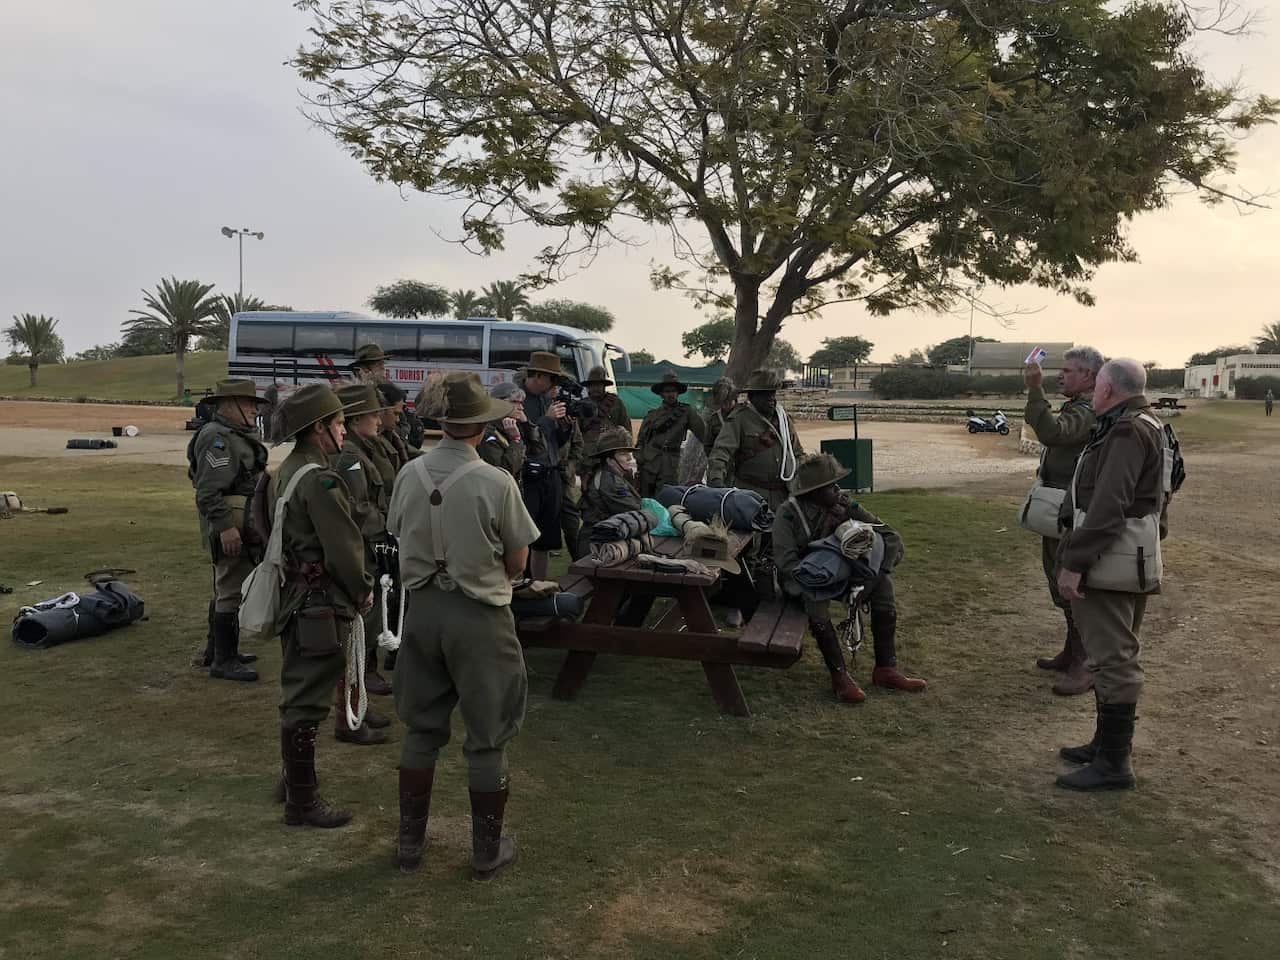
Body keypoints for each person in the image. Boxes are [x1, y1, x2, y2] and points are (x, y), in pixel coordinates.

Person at [387, 372, 540, 879]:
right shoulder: (496, 481)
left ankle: (409, 844)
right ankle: (485, 850)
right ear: (480, 427)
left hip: (423, 612)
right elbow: (519, 560)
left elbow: (396, 531)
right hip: (479, 616)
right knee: (488, 733)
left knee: (422, 727)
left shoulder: (409, 473)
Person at [1054, 359, 1168, 792]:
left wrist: (1075, 561)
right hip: (1130, 556)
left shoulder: (1125, 430)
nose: (1094, 393)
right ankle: (1105, 747)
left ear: (1108, 389)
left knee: (1113, 657)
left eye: (1098, 384)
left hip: (1109, 561)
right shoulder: (1146, 423)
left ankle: (1114, 765)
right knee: (1111, 652)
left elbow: (1108, 504)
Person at [272, 384, 374, 828]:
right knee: (307, 697)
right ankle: (302, 801)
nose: (342, 429)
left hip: (293, 594)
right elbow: (343, 547)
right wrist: (362, 589)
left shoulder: (288, 470)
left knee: (299, 686)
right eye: (336, 423)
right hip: (318, 600)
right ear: (319, 430)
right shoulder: (320, 479)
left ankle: (291, 783)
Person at [773, 454, 927, 703]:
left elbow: (889, 535)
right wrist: (819, 574)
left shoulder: (844, 505)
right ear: (814, 491)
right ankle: (840, 677)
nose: (838, 489)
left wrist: (874, 578)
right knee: (815, 601)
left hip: (845, 574)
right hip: (806, 580)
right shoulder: (787, 515)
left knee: (884, 589)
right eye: (831, 486)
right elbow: (786, 563)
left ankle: (886, 668)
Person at [1023, 346, 1102, 696]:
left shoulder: (1087, 411)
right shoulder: (1079, 407)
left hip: (1073, 512)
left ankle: (1085, 662)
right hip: (1060, 509)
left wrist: (1034, 388)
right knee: (1058, 583)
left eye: (1068, 371)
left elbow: (1052, 433)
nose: (1060, 375)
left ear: (1088, 376)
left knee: (1073, 587)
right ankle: (1072, 652)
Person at [189, 378, 271, 682]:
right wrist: (225, 528)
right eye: (249, 403)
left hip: (242, 520)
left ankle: (219, 651)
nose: (254, 409)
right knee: (230, 589)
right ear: (228, 404)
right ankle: (223, 660)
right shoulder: (218, 438)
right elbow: (208, 491)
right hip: (230, 523)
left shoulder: (235, 435)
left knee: (229, 585)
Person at [330, 382, 398, 744]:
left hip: (373, 548)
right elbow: (356, 508)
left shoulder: (366, 448)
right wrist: (388, 525)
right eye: (373, 412)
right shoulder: (350, 457)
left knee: (368, 630)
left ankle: (359, 703)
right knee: (356, 633)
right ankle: (347, 715)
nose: (379, 417)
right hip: (362, 547)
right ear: (356, 418)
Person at [708, 369, 803, 512]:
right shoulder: (739, 419)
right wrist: (716, 483)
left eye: (773, 393)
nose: (772, 398)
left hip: (782, 496)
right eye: (765, 394)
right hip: (749, 495)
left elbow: (797, 453)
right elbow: (720, 452)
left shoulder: (783, 418)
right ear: (752, 396)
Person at [520, 351, 574, 579]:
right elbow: (527, 439)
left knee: (545, 539)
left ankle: (539, 586)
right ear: (540, 376)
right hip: (530, 476)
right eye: (552, 379)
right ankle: (522, 586)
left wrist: (565, 426)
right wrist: (547, 419)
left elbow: (554, 442)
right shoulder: (517, 399)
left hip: (550, 474)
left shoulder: (545, 399)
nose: (554, 385)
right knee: (524, 537)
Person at [636, 371, 706, 497]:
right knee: (645, 498)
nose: (670, 394)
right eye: (667, 391)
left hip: (670, 464)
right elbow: (640, 440)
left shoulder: (686, 412)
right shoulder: (652, 415)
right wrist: (640, 459)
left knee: (667, 498)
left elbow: (704, 435)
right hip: (649, 462)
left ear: (677, 393)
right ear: (662, 394)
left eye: (673, 391)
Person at [576, 426, 643, 558]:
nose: (630, 458)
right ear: (610, 460)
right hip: (597, 547)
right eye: (623, 454)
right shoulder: (610, 481)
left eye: (629, 453)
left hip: (602, 541)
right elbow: (634, 509)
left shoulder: (608, 474)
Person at [478, 381, 530, 482]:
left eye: (521, 403)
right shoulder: (488, 432)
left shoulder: (512, 426)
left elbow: (539, 450)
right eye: (515, 402)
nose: (521, 407)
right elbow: (502, 472)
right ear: (499, 403)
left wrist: (526, 424)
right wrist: (515, 440)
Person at [580, 365, 633, 447]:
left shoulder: (616, 403)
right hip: (588, 451)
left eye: (598, 385)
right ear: (588, 387)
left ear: (604, 386)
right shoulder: (581, 405)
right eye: (592, 385)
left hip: (611, 448)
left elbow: (626, 427)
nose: (595, 388)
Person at [374, 381, 420, 470]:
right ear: (381, 409)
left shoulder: (391, 436)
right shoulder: (372, 440)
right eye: (395, 414)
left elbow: (410, 451)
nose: (398, 420)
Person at [559, 418, 587, 560]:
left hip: (564, 480)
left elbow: (578, 444)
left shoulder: (568, 417)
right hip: (538, 480)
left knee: (572, 524)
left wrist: (569, 467)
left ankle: (579, 563)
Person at [703, 376, 738, 459]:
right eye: (722, 402)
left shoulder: (743, 415)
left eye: (727, 401)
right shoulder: (714, 419)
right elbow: (708, 445)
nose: (725, 405)